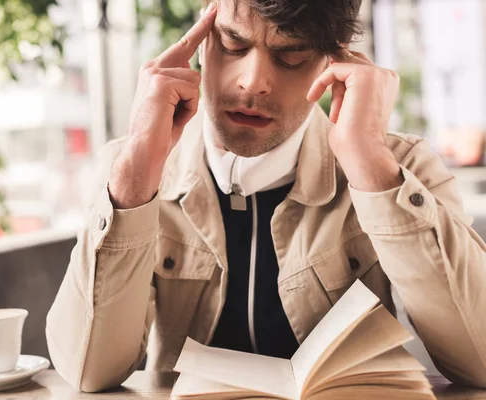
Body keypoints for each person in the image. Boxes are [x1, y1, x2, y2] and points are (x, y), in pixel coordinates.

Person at [46, 0, 486, 392]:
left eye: (291, 55)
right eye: (233, 44)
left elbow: (480, 363)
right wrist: (135, 174)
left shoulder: (400, 166)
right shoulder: (130, 169)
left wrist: (372, 167)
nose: (254, 82)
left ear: (333, 60)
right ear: (201, 34)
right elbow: (89, 371)